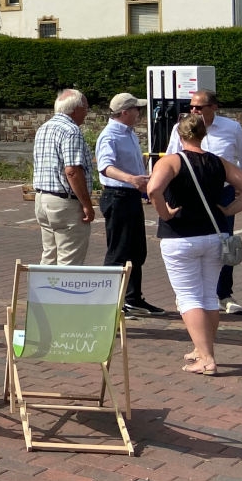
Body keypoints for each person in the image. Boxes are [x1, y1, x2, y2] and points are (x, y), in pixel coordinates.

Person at [148, 112, 242, 375]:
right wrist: (229, 209)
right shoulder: (219, 162)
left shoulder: (171, 162)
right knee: (209, 296)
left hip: (179, 237)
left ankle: (207, 358)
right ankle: (202, 349)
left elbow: (153, 189)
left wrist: (165, 213)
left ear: (179, 135)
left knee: (188, 297)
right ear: (204, 133)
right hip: (213, 235)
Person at [166, 90, 242, 314]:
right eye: (191, 107)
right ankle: (187, 294)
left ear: (214, 107)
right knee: (189, 242)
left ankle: (223, 294)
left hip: (220, 194)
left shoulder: (231, 128)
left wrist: (239, 188)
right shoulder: (181, 129)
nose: (193, 111)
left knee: (223, 242)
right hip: (188, 193)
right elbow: (170, 159)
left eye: (199, 107)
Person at [95, 92, 163, 316]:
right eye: (136, 109)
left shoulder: (129, 133)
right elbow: (105, 166)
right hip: (117, 196)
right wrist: (131, 179)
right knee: (118, 251)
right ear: (124, 112)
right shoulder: (110, 136)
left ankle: (133, 298)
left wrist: (141, 176)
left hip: (130, 196)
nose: (139, 113)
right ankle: (108, 304)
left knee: (136, 250)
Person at [31, 89, 96, 265]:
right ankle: (64, 293)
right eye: (86, 108)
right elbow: (72, 171)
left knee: (49, 256)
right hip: (65, 202)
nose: (86, 113)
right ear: (75, 109)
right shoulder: (71, 131)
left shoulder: (44, 128)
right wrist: (86, 204)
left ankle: (42, 292)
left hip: (42, 199)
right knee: (69, 262)